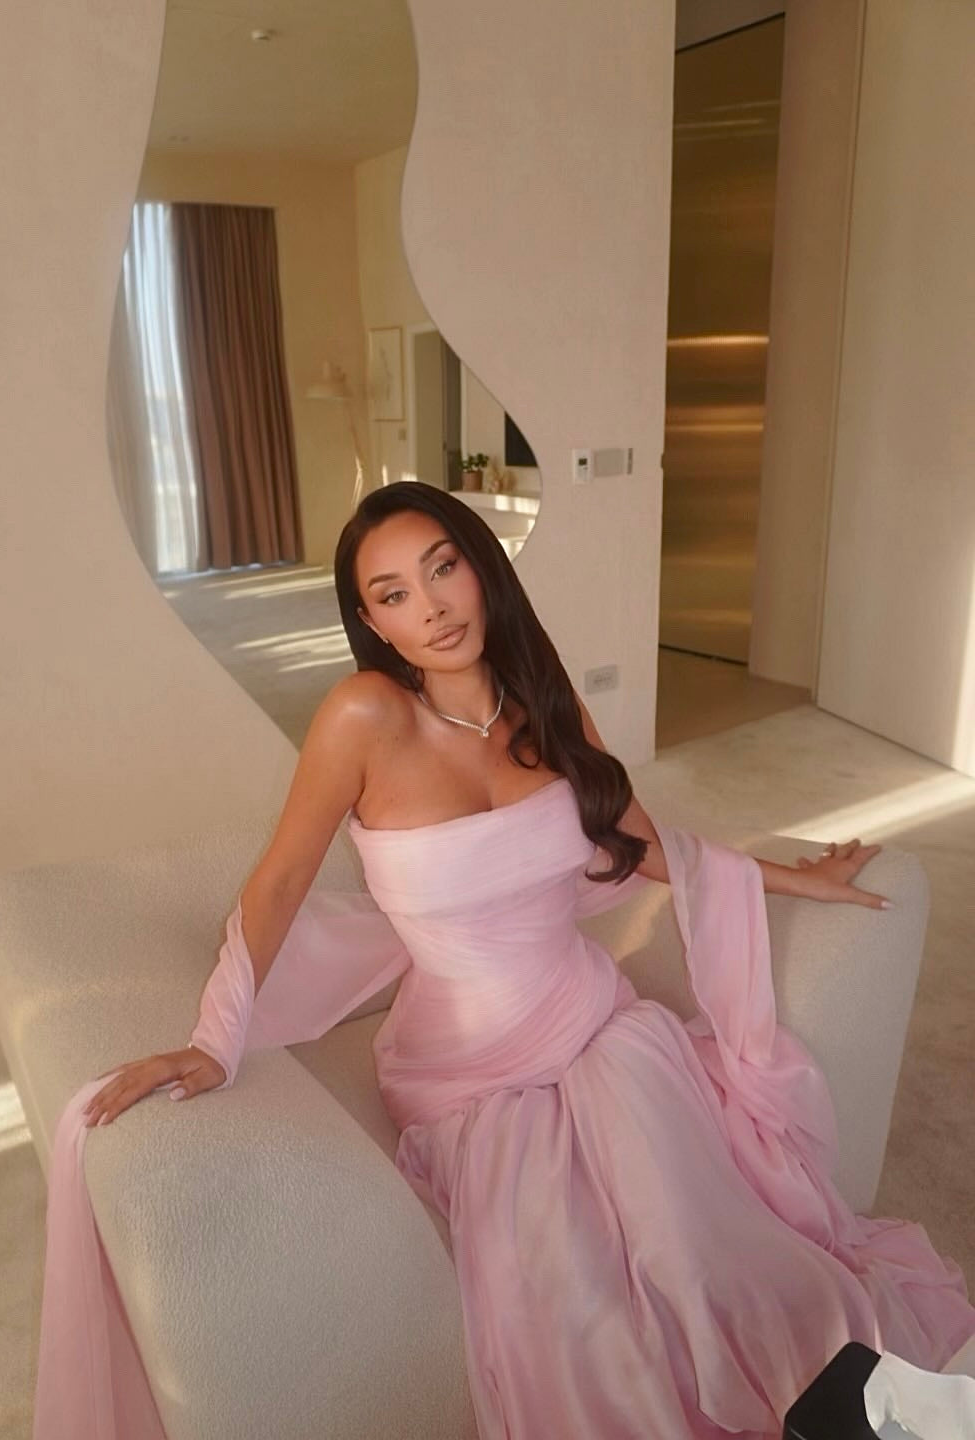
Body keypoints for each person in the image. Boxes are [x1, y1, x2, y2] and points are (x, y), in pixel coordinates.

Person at [54, 482, 974, 1439]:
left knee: (711, 1255)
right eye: (394, 593)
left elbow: (638, 841)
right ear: (371, 620)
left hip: (596, 1022)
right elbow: (280, 879)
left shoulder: (544, 699)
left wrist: (788, 877)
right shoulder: (364, 716)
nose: (432, 607)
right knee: (577, 1313)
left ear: (481, 566)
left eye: (443, 569)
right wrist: (214, 1039)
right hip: (466, 1072)